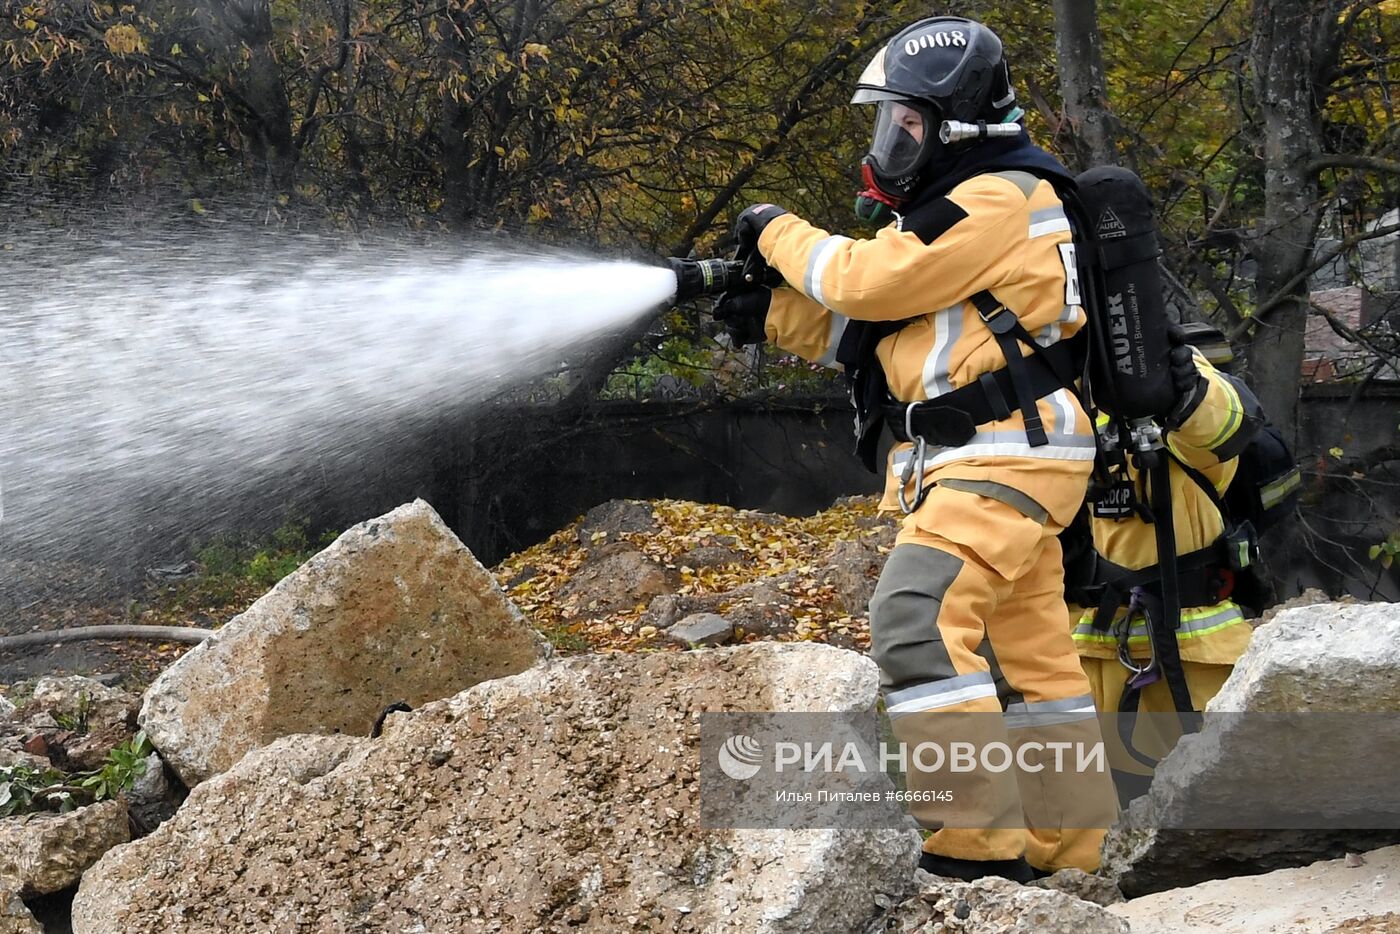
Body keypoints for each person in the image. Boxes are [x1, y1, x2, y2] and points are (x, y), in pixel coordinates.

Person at [712, 16, 1121, 880]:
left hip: (1005, 455)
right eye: (886, 120)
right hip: (1011, 455)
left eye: (907, 122)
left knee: (915, 620)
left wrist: (772, 226)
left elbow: (869, 280)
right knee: (1034, 659)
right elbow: (904, 339)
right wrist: (771, 314)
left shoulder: (998, 198)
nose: (890, 140)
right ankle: (1070, 853)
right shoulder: (969, 207)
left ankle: (976, 847)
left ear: (958, 124)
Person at [1064, 324, 1263, 780]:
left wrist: (1182, 386)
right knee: (1103, 807)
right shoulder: (1087, 426)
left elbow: (1219, 423)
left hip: (1191, 657)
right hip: (1096, 649)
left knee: (1207, 797)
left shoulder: (1190, 430)